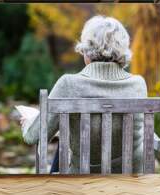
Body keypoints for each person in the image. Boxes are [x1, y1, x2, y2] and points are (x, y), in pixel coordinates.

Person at [20, 15, 147, 173]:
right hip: (132, 177)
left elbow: (36, 136)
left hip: (83, 179)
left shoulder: (69, 84)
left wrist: (27, 123)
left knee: (65, 146)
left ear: (86, 49)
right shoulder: (138, 84)